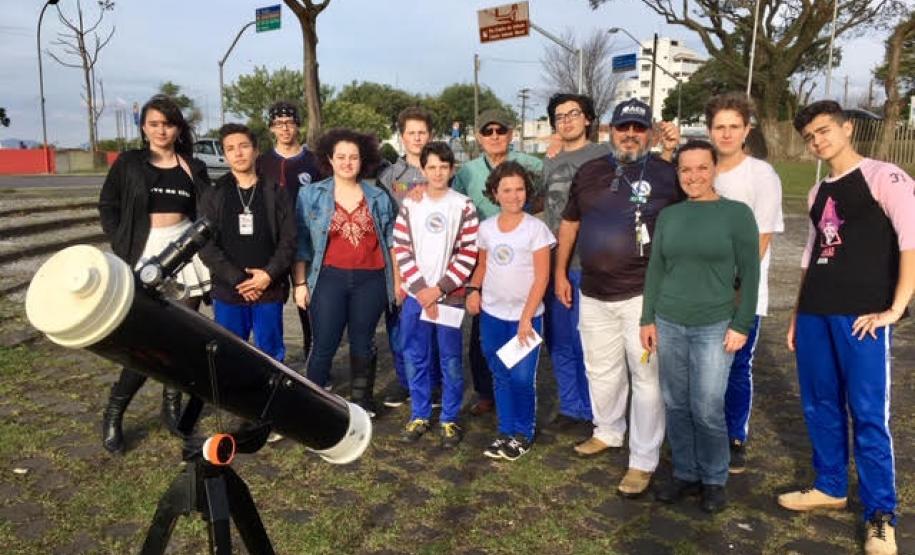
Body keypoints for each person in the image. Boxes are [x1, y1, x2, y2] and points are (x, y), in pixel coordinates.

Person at [780, 100, 914, 555]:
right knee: (820, 404)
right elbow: (810, 256)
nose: (818, 140)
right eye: (810, 136)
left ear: (847, 128)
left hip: (863, 317)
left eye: (824, 131)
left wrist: (896, 308)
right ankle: (830, 485)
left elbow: (911, 239)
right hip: (817, 311)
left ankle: (880, 515)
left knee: (868, 414)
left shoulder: (884, 176)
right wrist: (798, 313)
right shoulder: (818, 192)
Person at [554, 98, 680, 498]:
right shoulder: (590, 171)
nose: (630, 134)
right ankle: (607, 430)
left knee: (646, 377)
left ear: (649, 133)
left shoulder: (666, 174)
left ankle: (643, 461)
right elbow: (570, 222)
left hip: (642, 296)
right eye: (623, 127)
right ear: (609, 130)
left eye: (638, 128)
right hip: (592, 292)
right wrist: (560, 272)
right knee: (601, 370)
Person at [639, 140, 760, 514]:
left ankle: (714, 477)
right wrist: (647, 317)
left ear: (715, 169)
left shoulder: (736, 214)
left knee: (706, 407)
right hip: (670, 321)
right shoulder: (670, 216)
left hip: (714, 324)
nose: (693, 176)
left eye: (701, 168)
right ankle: (686, 473)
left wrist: (741, 323)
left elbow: (751, 274)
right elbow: (656, 269)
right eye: (685, 169)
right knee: (676, 403)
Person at [97, 94, 212, 454]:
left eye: (168, 123)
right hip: (144, 253)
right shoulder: (129, 163)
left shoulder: (193, 166)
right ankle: (115, 412)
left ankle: (172, 411)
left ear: (178, 128)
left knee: (179, 338)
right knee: (144, 340)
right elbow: (108, 204)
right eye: (154, 124)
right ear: (144, 128)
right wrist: (122, 243)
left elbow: (207, 210)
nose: (161, 130)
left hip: (185, 253)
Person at [704, 92, 784, 474]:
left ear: (746, 130)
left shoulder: (761, 175)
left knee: (735, 367)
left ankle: (734, 436)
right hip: (699, 292)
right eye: (719, 127)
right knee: (702, 367)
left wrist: (737, 288)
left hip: (740, 293)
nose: (726, 133)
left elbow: (761, 239)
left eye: (734, 126)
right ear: (709, 130)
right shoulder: (703, 170)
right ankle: (704, 431)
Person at [292, 129, 396, 416]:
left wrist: (396, 285)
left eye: (354, 157)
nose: (347, 163)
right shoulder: (311, 194)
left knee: (363, 340)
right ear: (329, 159)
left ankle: (362, 401)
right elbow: (301, 243)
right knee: (324, 340)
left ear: (363, 160)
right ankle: (310, 401)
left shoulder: (379, 197)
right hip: (328, 278)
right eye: (341, 157)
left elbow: (391, 243)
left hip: (371, 279)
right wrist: (300, 283)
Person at [453, 109, 543, 416]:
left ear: (511, 133)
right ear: (479, 136)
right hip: (483, 251)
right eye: (487, 131)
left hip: (521, 251)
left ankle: (518, 388)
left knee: (521, 322)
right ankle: (487, 391)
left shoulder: (531, 164)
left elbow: (544, 196)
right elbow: (456, 207)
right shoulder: (466, 172)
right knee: (483, 330)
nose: (494, 136)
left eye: (500, 131)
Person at [466, 161, 554, 460]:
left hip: (525, 320)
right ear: (495, 192)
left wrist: (527, 317)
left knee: (521, 378)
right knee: (500, 374)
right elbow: (483, 265)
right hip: (492, 316)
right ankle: (504, 431)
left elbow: (542, 276)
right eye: (507, 190)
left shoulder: (536, 229)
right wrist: (473, 290)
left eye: (519, 189)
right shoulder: (486, 228)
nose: (514, 196)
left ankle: (523, 433)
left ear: (526, 192)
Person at [393, 142, 479, 447]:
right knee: (416, 357)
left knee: (451, 359)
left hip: (449, 298)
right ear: (422, 169)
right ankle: (419, 414)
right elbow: (401, 248)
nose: (438, 172)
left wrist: (439, 289)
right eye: (432, 167)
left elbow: (469, 253)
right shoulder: (410, 204)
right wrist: (420, 290)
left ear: (452, 169)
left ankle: (450, 418)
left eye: (444, 166)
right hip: (417, 297)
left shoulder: (464, 205)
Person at [542, 92, 611, 431]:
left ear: (587, 119)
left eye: (573, 114)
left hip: (594, 263)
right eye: (559, 116)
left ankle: (597, 410)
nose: (567, 120)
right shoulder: (548, 161)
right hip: (557, 264)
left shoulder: (605, 155)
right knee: (561, 339)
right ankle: (572, 407)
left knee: (592, 343)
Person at [199, 123, 296, 362]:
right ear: (225, 154)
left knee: (271, 355)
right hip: (228, 289)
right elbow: (205, 245)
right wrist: (240, 280)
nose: (238, 153)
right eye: (230, 148)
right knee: (230, 355)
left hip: (268, 288)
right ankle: (235, 399)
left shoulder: (275, 191)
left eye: (243, 146)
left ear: (256, 150)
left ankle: (271, 399)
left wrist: (267, 275)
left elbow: (289, 239)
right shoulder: (214, 193)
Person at [377, 107, 439, 409]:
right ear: (402, 138)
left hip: (434, 262)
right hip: (399, 261)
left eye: (422, 132)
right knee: (400, 323)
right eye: (411, 133)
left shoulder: (442, 170)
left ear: (431, 135)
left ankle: (434, 383)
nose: (417, 138)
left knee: (434, 323)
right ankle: (405, 382)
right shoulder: (389, 176)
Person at [256, 101, 320, 365]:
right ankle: (273, 362)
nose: (285, 128)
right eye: (279, 124)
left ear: (298, 125)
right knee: (271, 304)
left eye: (289, 123)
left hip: (308, 244)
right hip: (274, 244)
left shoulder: (313, 161)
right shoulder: (262, 163)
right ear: (271, 128)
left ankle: (314, 359)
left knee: (310, 304)